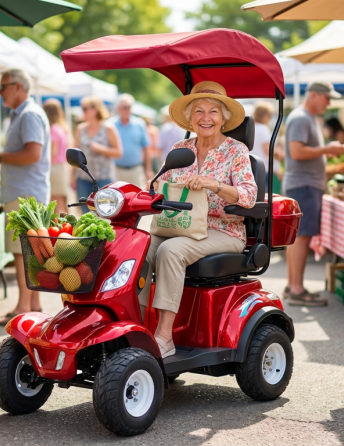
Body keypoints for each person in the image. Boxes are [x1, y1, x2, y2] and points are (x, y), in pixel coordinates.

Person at [141, 81, 257, 358]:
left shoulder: (236, 150)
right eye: (199, 111)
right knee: (136, 247)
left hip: (222, 230)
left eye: (214, 111)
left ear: (223, 119)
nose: (206, 117)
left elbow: (249, 196)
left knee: (170, 251)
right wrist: (152, 187)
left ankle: (165, 337)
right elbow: (160, 182)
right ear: (191, 118)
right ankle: (135, 326)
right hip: (177, 225)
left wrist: (213, 184)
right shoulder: (181, 148)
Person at [0, 69, 51, 324]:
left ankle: (23, 307)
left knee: (23, 252)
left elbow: (32, 154)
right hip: (25, 192)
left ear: (18, 86)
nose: (0, 93)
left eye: (3, 87)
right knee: (30, 251)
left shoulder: (28, 114)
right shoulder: (26, 113)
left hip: (25, 194)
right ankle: (33, 304)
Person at [283, 81, 344, 307]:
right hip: (304, 185)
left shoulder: (304, 117)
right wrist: (328, 149)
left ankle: (293, 286)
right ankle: (297, 289)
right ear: (316, 95)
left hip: (304, 184)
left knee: (297, 238)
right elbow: (296, 151)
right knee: (301, 237)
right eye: (328, 98)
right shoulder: (301, 117)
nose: (329, 103)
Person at [72, 96, 122, 207]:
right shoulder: (80, 129)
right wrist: (72, 177)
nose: (83, 111)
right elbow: (75, 154)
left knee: (105, 212)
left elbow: (119, 152)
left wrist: (101, 148)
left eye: (85, 109)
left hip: (104, 178)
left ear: (95, 110)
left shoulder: (108, 128)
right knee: (85, 213)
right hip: (83, 178)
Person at [111, 94, 153, 185]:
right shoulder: (111, 125)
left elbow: (147, 148)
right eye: (124, 107)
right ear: (118, 109)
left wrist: (148, 169)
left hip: (136, 170)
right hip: (116, 170)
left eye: (129, 107)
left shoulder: (140, 124)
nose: (127, 110)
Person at [43, 99, 73, 212]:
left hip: (54, 169)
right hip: (61, 167)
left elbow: (52, 152)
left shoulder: (53, 129)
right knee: (62, 202)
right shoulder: (62, 128)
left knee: (56, 204)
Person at [252, 101, 275, 177]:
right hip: (261, 167)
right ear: (265, 115)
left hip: (250, 166)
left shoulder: (250, 127)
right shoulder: (263, 128)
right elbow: (267, 150)